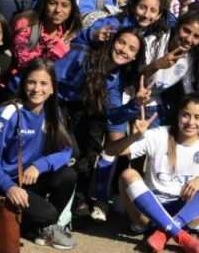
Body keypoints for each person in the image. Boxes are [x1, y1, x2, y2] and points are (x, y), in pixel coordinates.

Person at [105, 94, 199, 252]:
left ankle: (165, 232)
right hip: (150, 212)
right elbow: (110, 150)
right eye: (186, 115)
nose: (191, 122)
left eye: (197, 117)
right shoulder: (158, 135)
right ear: (177, 115)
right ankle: (180, 236)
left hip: (187, 212)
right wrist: (135, 137)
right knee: (128, 174)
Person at [0, 59, 78, 250]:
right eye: (31, 82)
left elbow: (67, 151)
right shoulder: (9, 112)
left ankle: (42, 228)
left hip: (30, 178)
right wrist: (8, 187)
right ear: (23, 85)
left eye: (43, 84)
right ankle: (41, 225)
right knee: (48, 213)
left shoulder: (53, 112)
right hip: (4, 182)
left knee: (68, 175)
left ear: (52, 89)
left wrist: (39, 165)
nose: (36, 89)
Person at [54, 29, 143, 220]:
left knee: (91, 148)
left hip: (84, 114)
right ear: (112, 41)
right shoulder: (84, 56)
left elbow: (113, 115)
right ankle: (61, 203)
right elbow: (52, 80)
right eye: (121, 42)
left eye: (131, 49)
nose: (124, 50)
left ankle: (80, 201)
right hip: (58, 106)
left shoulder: (114, 79)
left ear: (134, 57)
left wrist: (135, 104)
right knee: (72, 152)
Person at [139, 11, 199, 124]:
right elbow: (132, 80)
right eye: (186, 31)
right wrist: (156, 65)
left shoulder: (191, 56)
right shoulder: (153, 42)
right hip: (130, 97)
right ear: (177, 27)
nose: (189, 39)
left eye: (196, 36)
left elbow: (189, 91)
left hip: (153, 102)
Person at [8, 0, 82, 92]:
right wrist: (55, 52)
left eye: (65, 5)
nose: (58, 10)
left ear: (72, 9)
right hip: (18, 88)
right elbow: (27, 64)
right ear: (44, 3)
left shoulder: (67, 32)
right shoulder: (28, 24)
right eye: (52, 3)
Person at [71, 0, 168, 49]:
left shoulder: (156, 36)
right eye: (142, 7)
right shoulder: (114, 23)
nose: (146, 15)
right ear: (134, 7)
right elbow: (74, 37)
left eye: (153, 10)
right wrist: (93, 35)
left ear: (159, 16)